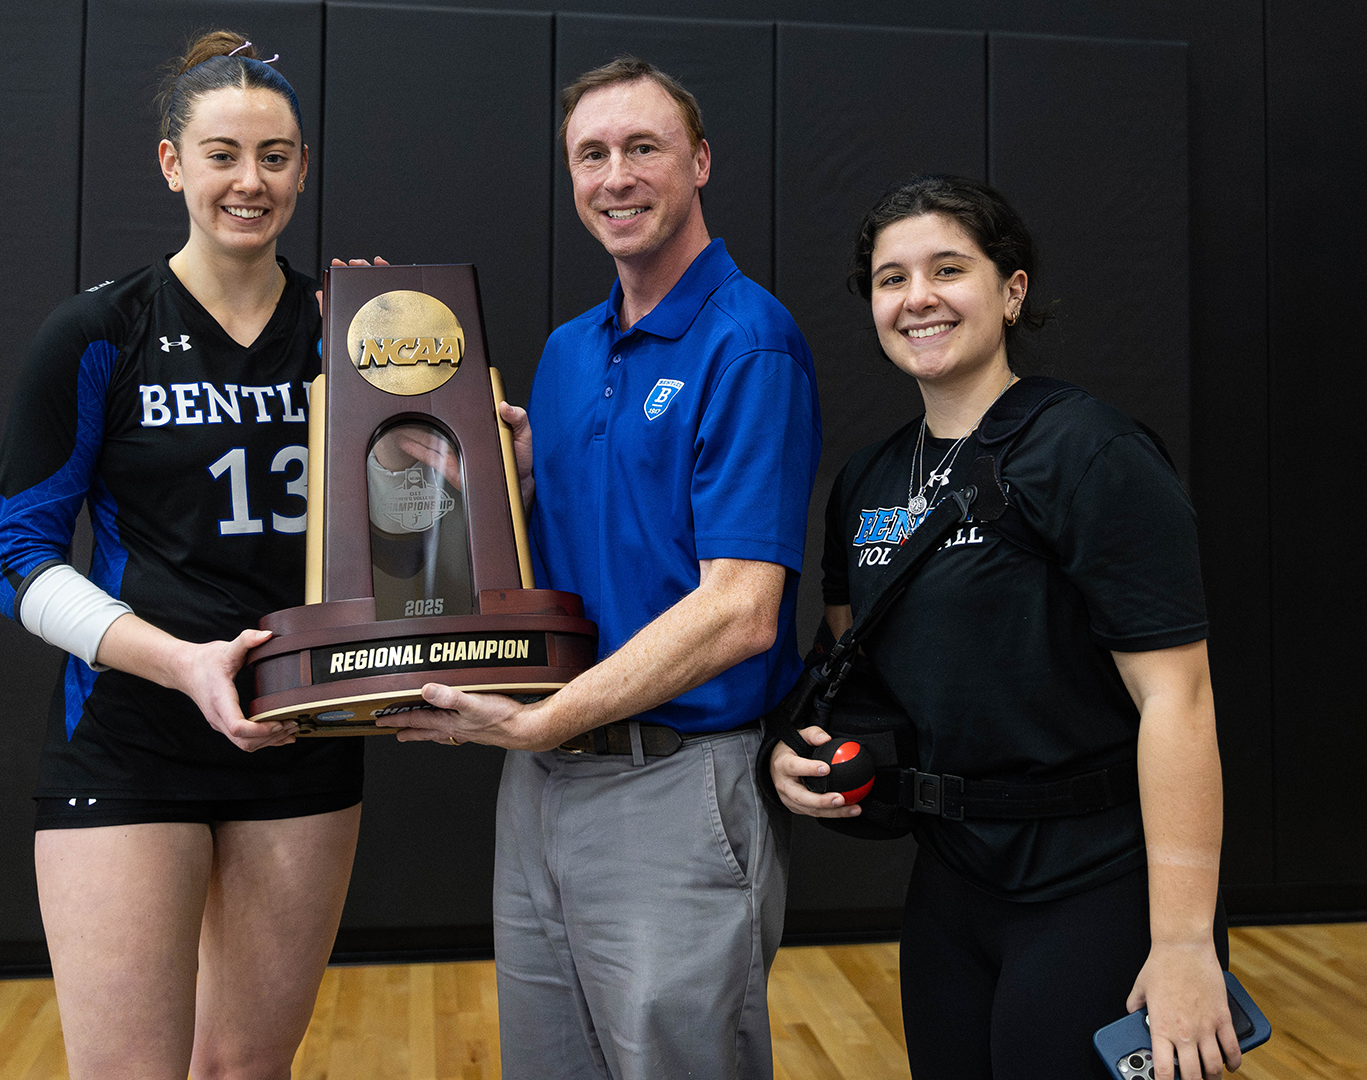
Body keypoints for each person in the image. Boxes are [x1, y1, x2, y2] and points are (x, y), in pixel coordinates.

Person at [377, 57, 821, 1080]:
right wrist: (505, 472)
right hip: (541, 787)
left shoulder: (749, 343)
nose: (615, 176)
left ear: (699, 162)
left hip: (675, 784)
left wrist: (542, 722)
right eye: (591, 154)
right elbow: (587, 533)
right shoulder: (569, 353)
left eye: (642, 148)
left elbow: (741, 611)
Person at [768, 174, 1240, 1080]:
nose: (918, 298)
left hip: (1095, 881)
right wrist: (796, 750)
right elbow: (847, 669)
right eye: (892, 278)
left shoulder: (1092, 452)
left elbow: (1178, 700)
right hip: (952, 884)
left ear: (1012, 291)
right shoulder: (867, 483)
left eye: (949, 269)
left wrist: (1184, 944)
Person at [0, 32, 361, 1080]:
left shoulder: (350, 333)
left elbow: (409, 530)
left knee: (247, 1069)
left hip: (300, 734)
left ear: (304, 167)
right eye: (222, 155)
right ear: (171, 163)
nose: (250, 182)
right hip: (131, 737)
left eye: (274, 156)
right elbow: (12, 557)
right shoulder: (98, 331)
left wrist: (450, 425)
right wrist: (183, 664)